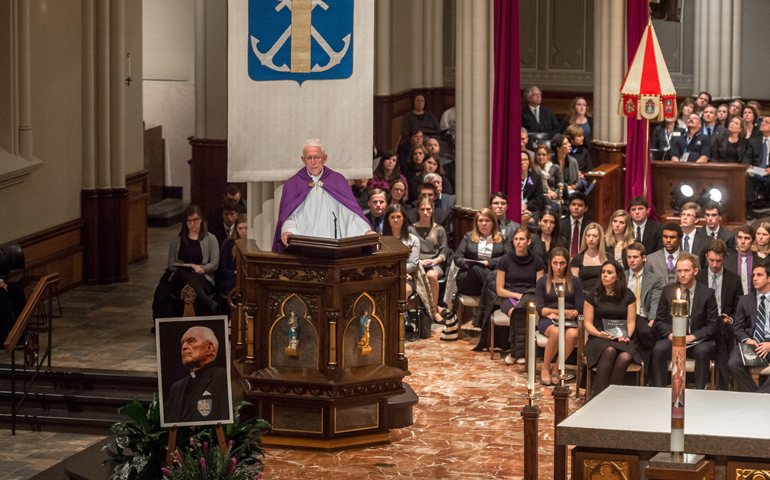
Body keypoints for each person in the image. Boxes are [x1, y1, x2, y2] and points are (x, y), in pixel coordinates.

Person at [274, 139, 373, 252]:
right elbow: (289, 217)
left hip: (333, 249)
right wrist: (288, 231)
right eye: (309, 158)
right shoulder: (293, 184)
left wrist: (365, 231)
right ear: (303, 159)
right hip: (304, 250)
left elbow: (350, 215)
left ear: (324, 158)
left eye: (317, 157)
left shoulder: (338, 181)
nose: (313, 162)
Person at [651, 253, 718, 390]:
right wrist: (671, 335)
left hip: (697, 340)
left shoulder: (707, 293)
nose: (682, 274)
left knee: (703, 351)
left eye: (686, 270)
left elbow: (713, 325)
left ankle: (700, 391)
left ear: (695, 271)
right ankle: (659, 390)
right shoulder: (668, 291)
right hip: (673, 338)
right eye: (679, 270)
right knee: (658, 349)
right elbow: (659, 321)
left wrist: (693, 337)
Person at [583, 260, 639, 400]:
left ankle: (609, 397)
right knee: (610, 350)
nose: (605, 275)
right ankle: (597, 396)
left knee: (625, 356)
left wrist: (627, 336)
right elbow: (588, 323)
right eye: (603, 272)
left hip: (621, 337)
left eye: (609, 273)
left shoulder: (628, 295)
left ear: (618, 276)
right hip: (599, 337)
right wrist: (598, 333)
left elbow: (631, 321)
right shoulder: (593, 295)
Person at [696, 239, 743, 388]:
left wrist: (730, 319)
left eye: (718, 261)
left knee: (723, 327)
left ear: (724, 258)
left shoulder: (734, 280)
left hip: (725, 324)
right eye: (711, 260)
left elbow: (739, 309)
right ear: (706, 257)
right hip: (703, 325)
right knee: (718, 328)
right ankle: (724, 379)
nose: (715, 265)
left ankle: (722, 379)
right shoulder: (698, 278)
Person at [497, 228, 545, 365]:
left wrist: (524, 296)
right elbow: (500, 290)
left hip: (529, 296)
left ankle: (515, 354)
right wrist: (516, 295)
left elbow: (539, 287)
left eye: (522, 239)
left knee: (523, 312)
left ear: (528, 241)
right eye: (516, 239)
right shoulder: (504, 260)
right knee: (515, 313)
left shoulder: (537, 261)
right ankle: (519, 352)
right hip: (509, 296)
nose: (518, 242)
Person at [535, 247, 583, 385]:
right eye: (555, 263)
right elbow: (541, 310)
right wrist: (560, 313)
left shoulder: (575, 282)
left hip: (569, 320)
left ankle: (557, 368)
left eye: (562, 263)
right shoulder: (542, 282)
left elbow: (579, 307)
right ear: (550, 263)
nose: (558, 267)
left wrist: (571, 314)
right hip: (549, 320)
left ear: (567, 264)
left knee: (572, 335)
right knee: (556, 333)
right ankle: (545, 368)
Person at [164, 326, 229, 424]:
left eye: (191, 341)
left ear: (209, 348)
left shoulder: (224, 378)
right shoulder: (177, 388)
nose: (184, 347)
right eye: (182, 343)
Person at [163, 205, 220, 315]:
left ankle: (203, 301)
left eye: (195, 220)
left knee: (189, 276)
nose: (192, 224)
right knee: (182, 272)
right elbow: (171, 265)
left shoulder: (211, 239)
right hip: (179, 280)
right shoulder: (177, 241)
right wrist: (191, 266)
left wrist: (200, 269)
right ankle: (207, 300)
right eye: (189, 221)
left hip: (202, 277)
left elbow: (214, 263)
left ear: (201, 219)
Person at [727, 262, 770, 393]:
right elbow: (738, 328)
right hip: (751, 343)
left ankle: (759, 396)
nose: (755, 279)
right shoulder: (744, 300)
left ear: (769, 278)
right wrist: (747, 340)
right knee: (733, 363)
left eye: (759, 275)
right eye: (754, 275)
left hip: (769, 344)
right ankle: (757, 395)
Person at [409, 196, 449, 323]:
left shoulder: (439, 230)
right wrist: (419, 262)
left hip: (434, 264)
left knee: (431, 275)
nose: (425, 212)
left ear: (432, 210)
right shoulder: (411, 230)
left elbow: (444, 254)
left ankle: (434, 312)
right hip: (417, 264)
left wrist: (434, 261)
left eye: (428, 209)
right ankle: (435, 308)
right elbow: (408, 253)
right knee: (422, 274)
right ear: (418, 211)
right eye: (422, 209)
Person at [625, 242, 663, 376]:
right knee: (640, 332)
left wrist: (652, 319)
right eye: (629, 257)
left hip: (644, 316)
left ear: (644, 258)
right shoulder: (621, 278)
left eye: (635, 257)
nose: (631, 260)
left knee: (645, 330)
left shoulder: (654, 279)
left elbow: (655, 301)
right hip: (624, 317)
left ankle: (645, 375)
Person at [454, 208, 510, 297]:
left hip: (493, 274)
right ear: (477, 223)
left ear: (493, 223)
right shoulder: (468, 237)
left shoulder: (503, 239)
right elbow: (457, 257)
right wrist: (472, 264)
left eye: (487, 220)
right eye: (480, 221)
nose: (484, 224)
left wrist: (487, 263)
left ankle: (494, 293)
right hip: (469, 280)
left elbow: (508, 258)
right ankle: (499, 291)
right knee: (476, 268)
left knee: (490, 274)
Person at [382, 205, 419, 298]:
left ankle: (402, 313)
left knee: (404, 290)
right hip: (385, 276)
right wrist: (395, 272)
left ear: (403, 219)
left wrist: (398, 272)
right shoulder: (381, 240)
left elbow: (413, 265)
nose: (395, 220)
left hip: (406, 277)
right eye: (392, 217)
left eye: (398, 217)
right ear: (388, 220)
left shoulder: (413, 240)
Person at [216, 213, 247, 301]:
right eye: (240, 228)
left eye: (246, 228)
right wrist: (235, 272)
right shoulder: (229, 243)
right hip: (231, 277)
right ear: (236, 229)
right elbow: (222, 268)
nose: (243, 231)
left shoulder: (255, 242)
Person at [744, 116, 770, 219]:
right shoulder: (754, 141)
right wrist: (747, 165)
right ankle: (749, 209)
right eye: (762, 121)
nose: (762, 123)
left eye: (766, 122)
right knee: (746, 176)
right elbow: (747, 156)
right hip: (757, 170)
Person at [571, 223, 606, 293]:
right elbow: (574, 285)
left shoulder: (607, 258)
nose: (591, 239)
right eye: (588, 235)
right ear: (585, 237)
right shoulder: (577, 259)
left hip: (603, 296)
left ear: (600, 238)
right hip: (583, 297)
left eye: (595, 236)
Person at [724, 225, 760, 295]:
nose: (742, 241)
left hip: (755, 300)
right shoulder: (727, 262)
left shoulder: (761, 262)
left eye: (747, 238)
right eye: (740, 237)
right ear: (736, 239)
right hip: (735, 302)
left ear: (753, 241)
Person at [560, 192, 589, 258]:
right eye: (573, 204)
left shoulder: (590, 227)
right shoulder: (561, 226)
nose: (576, 207)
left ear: (586, 208)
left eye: (580, 205)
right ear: (569, 207)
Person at [521, 152, 546, 221]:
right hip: (515, 209)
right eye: (520, 160)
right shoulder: (512, 179)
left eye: (525, 159)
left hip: (531, 210)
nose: (523, 162)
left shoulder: (536, 178)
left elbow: (539, 198)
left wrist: (526, 206)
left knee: (531, 221)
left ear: (529, 162)